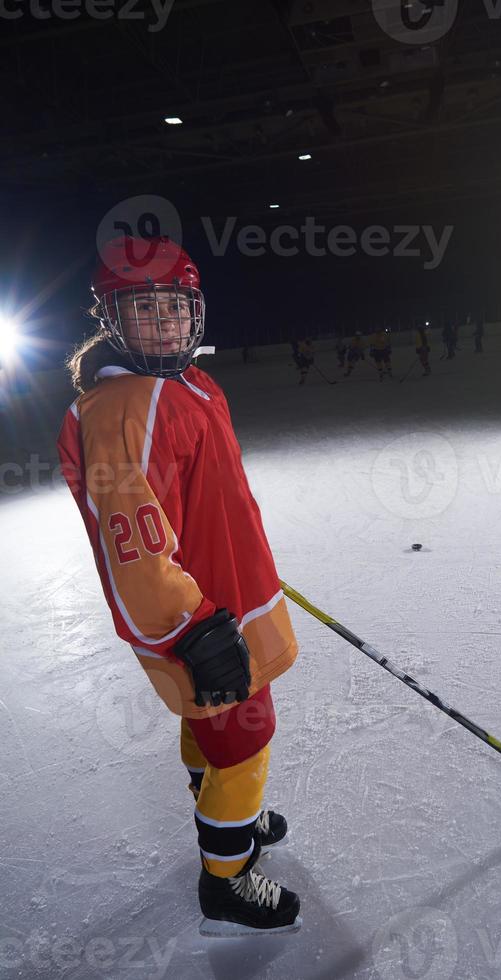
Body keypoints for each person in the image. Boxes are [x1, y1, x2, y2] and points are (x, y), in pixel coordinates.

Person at [56, 235, 301, 936]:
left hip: (225, 591)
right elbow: (134, 546)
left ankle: (232, 807)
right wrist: (189, 630)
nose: (162, 322)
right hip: (198, 620)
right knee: (244, 736)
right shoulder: (124, 408)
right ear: (113, 317)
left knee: (218, 725)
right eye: (144, 309)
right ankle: (227, 875)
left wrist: (239, 547)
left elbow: (198, 494)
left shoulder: (187, 382)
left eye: (174, 306)